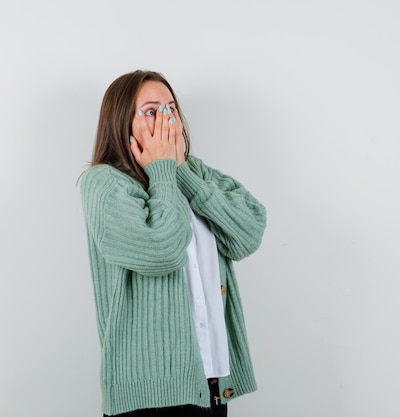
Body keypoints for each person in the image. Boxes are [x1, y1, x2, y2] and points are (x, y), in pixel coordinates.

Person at [79, 70, 267, 416]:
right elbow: (162, 250)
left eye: (171, 108)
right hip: (149, 394)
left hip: (210, 384)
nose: (166, 119)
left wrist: (181, 172)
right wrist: (164, 170)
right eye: (151, 111)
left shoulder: (197, 173)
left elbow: (248, 233)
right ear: (122, 123)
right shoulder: (104, 183)